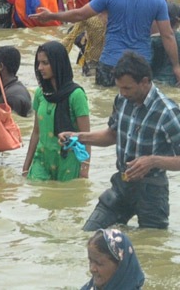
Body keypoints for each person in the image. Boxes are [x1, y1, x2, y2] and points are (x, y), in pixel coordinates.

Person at [63, 51, 180, 231]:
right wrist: (79, 136)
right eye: (120, 88)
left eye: (127, 88)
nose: (122, 93)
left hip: (152, 192)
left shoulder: (167, 112)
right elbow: (112, 135)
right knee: (90, 234)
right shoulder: (122, 100)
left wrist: (152, 161)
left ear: (145, 82)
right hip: (121, 183)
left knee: (150, 248)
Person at [31, 0, 180, 88]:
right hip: (141, 66)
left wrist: (51, 15)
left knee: (104, 108)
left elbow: (79, 15)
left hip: (110, 63)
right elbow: (167, 35)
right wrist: (176, 66)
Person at [23, 40, 91, 182]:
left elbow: (86, 137)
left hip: (68, 161)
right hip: (42, 160)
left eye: (45, 63)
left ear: (58, 64)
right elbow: (36, 132)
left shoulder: (76, 95)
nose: (40, 68)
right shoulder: (40, 94)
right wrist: (25, 168)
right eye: (38, 63)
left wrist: (84, 170)